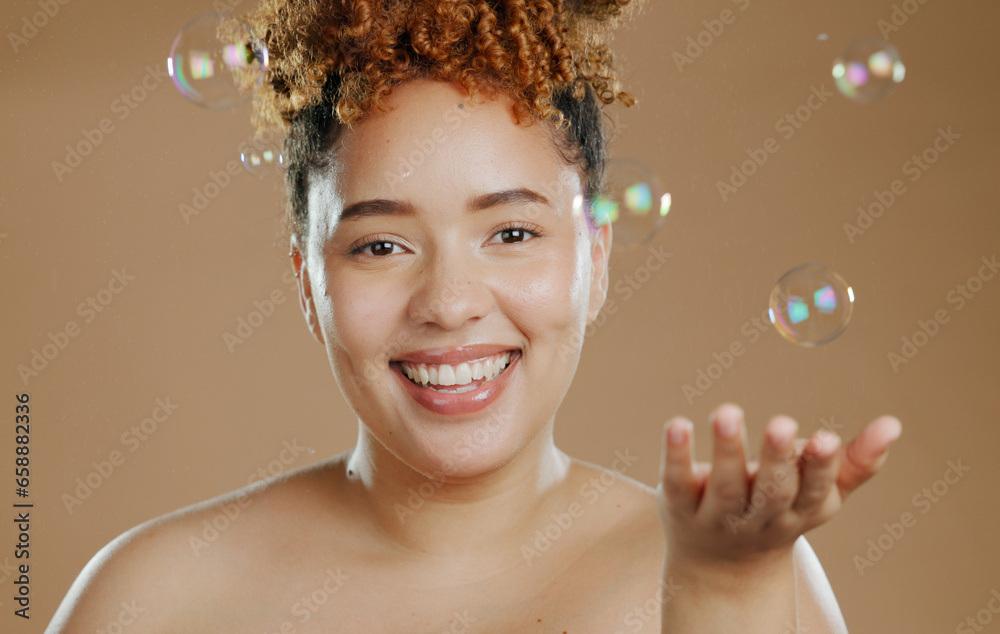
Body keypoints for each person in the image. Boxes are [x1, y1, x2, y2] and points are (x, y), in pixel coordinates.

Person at [47, 0, 902, 631]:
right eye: (381, 246)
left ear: (595, 262)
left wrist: (723, 594)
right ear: (309, 285)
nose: (451, 304)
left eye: (513, 232)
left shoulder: (745, 576)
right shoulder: (155, 599)